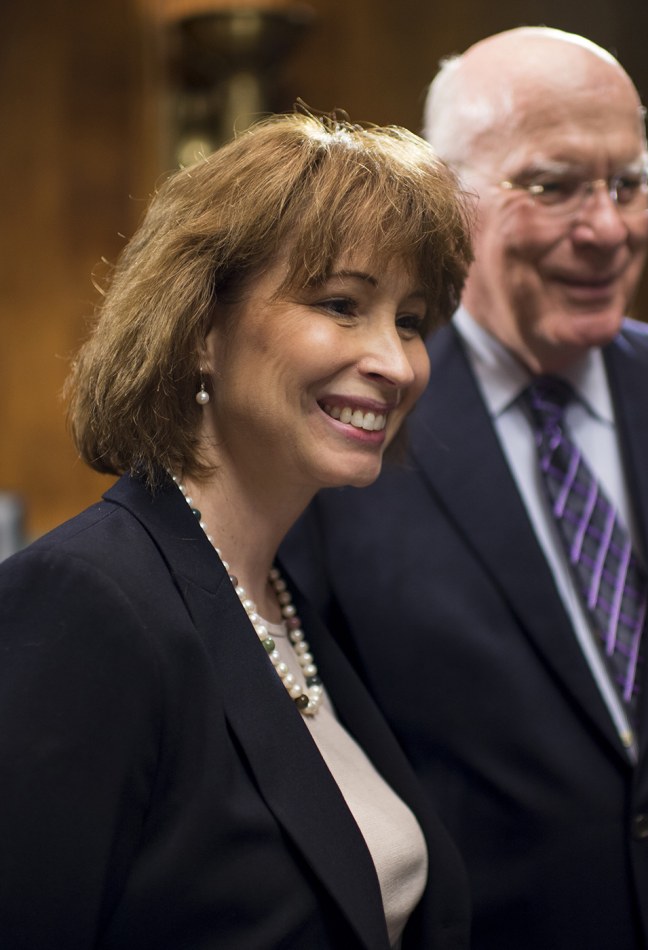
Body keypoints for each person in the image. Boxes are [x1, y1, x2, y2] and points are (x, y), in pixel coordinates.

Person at [281, 28, 648, 950]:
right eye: (554, 186)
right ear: (446, 202)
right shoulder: (348, 440)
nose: (609, 228)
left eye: (630, 185)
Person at [0, 112, 473, 949]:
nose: (396, 364)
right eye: (341, 304)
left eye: (409, 319)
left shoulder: (289, 597)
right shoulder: (86, 602)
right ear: (201, 330)